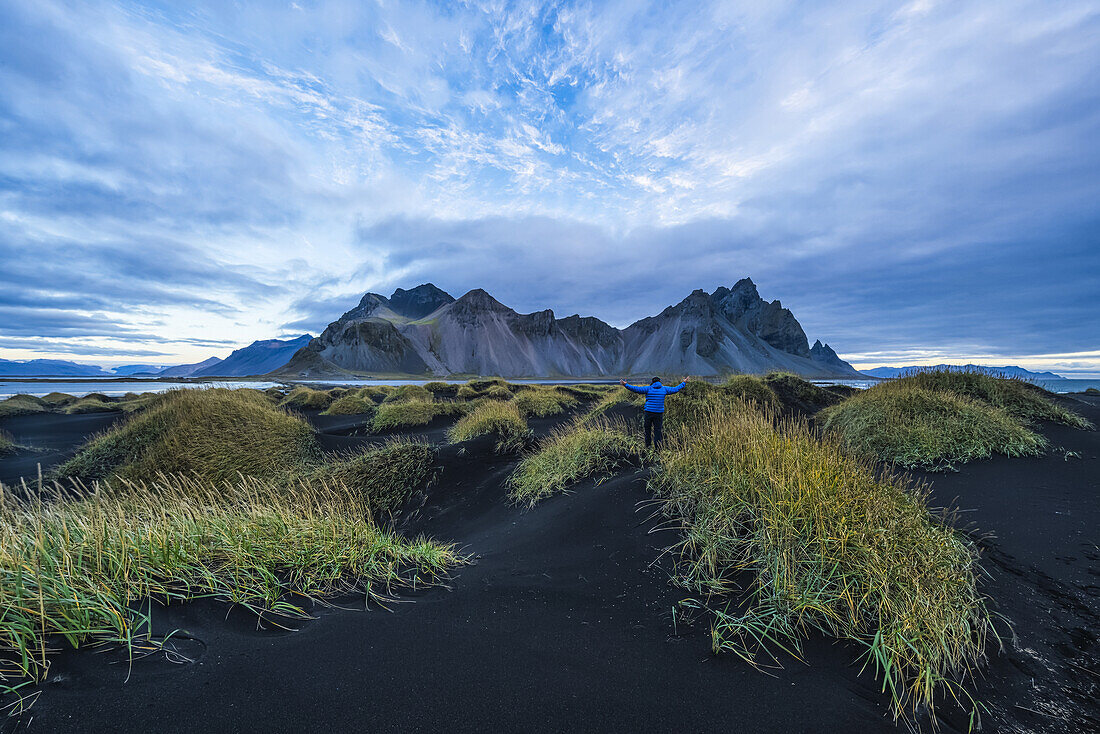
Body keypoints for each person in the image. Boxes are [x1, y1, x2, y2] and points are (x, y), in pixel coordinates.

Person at [619, 375, 689, 449]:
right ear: (659, 382)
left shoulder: (648, 388)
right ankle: (657, 448)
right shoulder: (664, 389)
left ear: (652, 382)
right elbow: (676, 389)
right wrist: (684, 382)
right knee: (657, 431)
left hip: (648, 412)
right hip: (659, 414)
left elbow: (636, 389)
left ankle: (648, 446)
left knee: (647, 430)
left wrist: (625, 384)